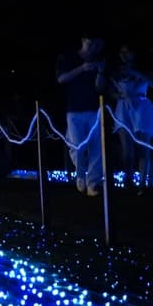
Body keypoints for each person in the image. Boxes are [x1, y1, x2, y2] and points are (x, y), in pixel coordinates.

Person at [55, 36, 108, 196]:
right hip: (74, 109)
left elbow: (100, 87)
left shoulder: (99, 59)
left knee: (97, 148)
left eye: (97, 44)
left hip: (94, 109)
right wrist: (81, 68)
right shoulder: (67, 57)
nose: (94, 47)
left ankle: (93, 183)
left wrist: (100, 71)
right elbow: (61, 79)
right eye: (91, 43)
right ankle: (80, 176)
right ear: (84, 40)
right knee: (77, 147)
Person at [108, 45, 153, 191]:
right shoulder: (117, 71)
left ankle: (145, 184)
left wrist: (135, 72)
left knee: (144, 148)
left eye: (127, 51)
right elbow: (111, 91)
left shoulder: (145, 69)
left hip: (141, 107)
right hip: (123, 108)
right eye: (121, 52)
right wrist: (119, 95)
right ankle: (128, 182)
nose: (124, 55)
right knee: (127, 150)